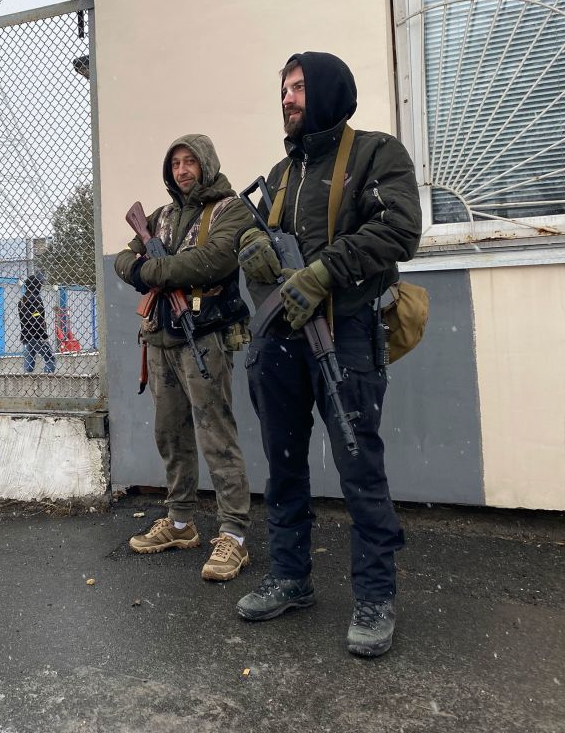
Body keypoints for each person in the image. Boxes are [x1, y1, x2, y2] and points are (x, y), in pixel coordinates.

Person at [234, 52, 422, 657]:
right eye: (282, 88)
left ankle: (374, 596)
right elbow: (253, 229)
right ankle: (290, 577)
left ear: (327, 91)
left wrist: (324, 272)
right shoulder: (282, 172)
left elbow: (400, 230)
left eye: (297, 88)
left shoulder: (375, 154)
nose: (286, 99)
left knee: (358, 464)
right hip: (282, 337)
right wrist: (251, 247)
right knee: (283, 463)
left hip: (346, 334)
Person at [114, 134, 254, 581]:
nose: (182, 170)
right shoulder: (161, 217)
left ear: (207, 164)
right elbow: (123, 258)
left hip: (205, 338)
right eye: (175, 163)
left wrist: (149, 270)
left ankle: (234, 535)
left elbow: (211, 262)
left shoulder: (230, 210)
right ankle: (179, 522)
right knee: (169, 434)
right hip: (160, 339)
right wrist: (141, 268)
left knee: (217, 435)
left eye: (190, 161)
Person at [18, 275, 55, 373]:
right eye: (39, 285)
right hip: (37, 335)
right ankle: (48, 380)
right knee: (50, 359)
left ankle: (26, 383)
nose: (40, 287)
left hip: (26, 335)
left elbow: (27, 318)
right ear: (35, 286)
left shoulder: (22, 300)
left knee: (29, 363)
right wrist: (43, 335)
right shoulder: (36, 299)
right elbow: (37, 318)